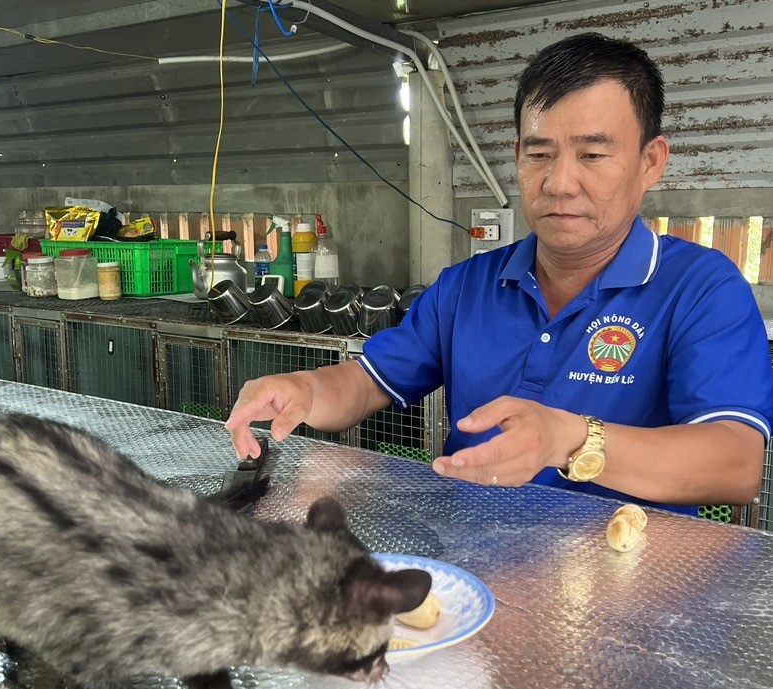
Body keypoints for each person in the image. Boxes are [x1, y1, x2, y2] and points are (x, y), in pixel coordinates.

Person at [226, 32, 773, 515]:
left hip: (624, 582)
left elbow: (735, 463)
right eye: (540, 154)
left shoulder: (701, 289)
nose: (559, 182)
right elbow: (368, 381)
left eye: (592, 155)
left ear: (650, 161)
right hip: (469, 561)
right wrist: (304, 388)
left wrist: (570, 438)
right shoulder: (466, 287)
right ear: (517, 156)